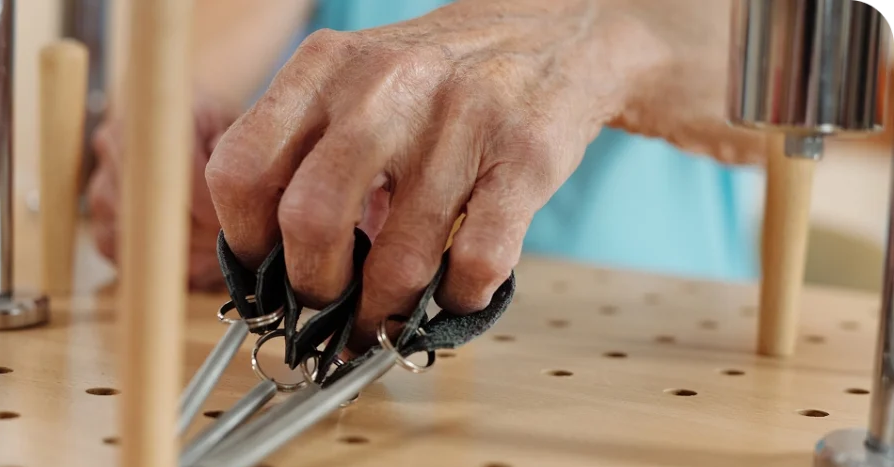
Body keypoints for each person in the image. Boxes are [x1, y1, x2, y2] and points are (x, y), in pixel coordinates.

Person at [87, 0, 765, 351]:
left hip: (655, 343)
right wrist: (168, 136)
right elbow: (186, 68)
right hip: (318, 348)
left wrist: (589, 42)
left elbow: (793, 68)